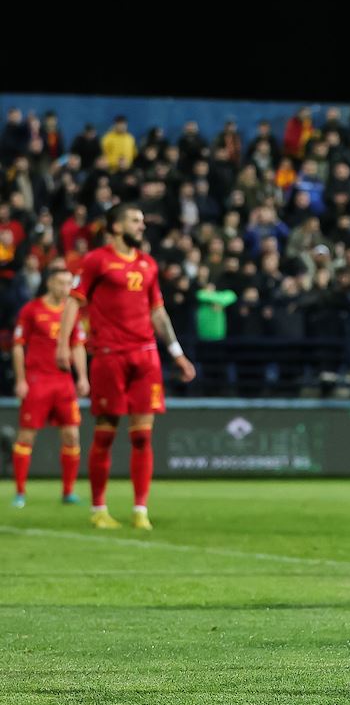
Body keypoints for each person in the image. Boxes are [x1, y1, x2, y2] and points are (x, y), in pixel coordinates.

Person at [56, 205, 197, 530]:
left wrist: (177, 353)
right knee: (105, 435)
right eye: (135, 221)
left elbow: (157, 312)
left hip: (145, 357)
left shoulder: (148, 264)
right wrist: (63, 345)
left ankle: (140, 510)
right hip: (110, 356)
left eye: (142, 221)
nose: (141, 226)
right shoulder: (96, 261)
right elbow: (74, 302)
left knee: (143, 437)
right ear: (116, 227)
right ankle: (99, 509)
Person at [11, 268, 88, 507]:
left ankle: (68, 491)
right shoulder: (31, 309)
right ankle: (20, 492)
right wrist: (21, 379)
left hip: (63, 382)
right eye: (61, 283)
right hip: (37, 380)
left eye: (69, 283)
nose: (66, 288)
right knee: (27, 435)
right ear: (50, 283)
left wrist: (82, 377)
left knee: (72, 435)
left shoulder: (71, 312)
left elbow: (78, 346)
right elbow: (18, 345)